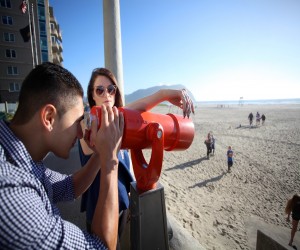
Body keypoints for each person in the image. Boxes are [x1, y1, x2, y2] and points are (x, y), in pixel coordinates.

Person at [0, 62, 124, 249]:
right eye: (76, 122)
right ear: (49, 118)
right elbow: (101, 247)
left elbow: (68, 187)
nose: (80, 133)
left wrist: (99, 154)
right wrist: (110, 159)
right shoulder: (12, 195)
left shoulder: (24, 159)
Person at [79, 68, 195, 242]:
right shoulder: (87, 125)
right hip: (99, 213)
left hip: (123, 207)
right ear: (92, 96)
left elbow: (140, 106)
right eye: (99, 90)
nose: (106, 95)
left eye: (111, 89)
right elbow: (89, 142)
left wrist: (164, 93)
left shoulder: (120, 121)